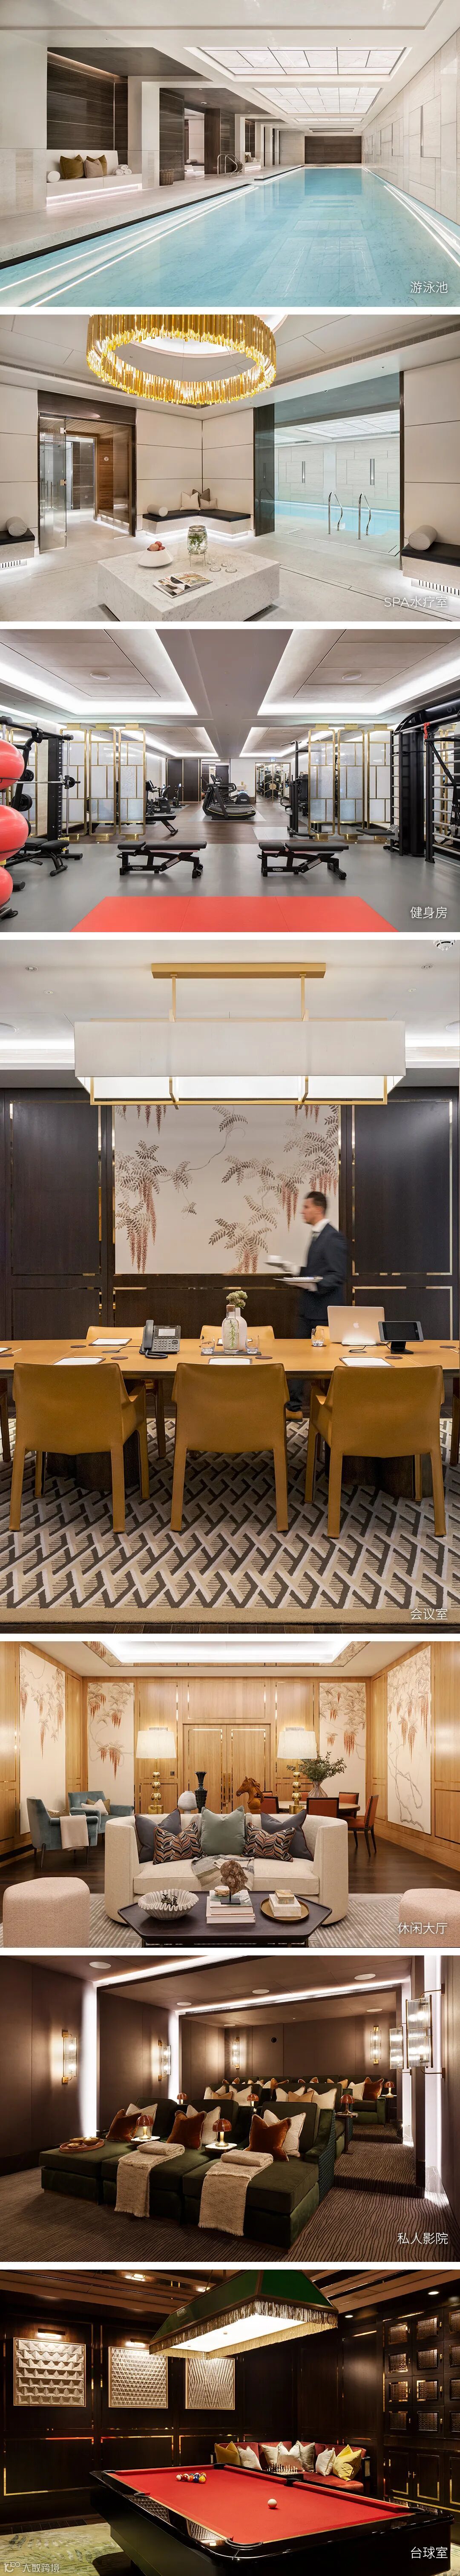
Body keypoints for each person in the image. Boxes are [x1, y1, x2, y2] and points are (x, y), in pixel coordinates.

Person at [289, 1187, 348, 1407]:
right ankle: (293, 1406)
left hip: (324, 1312)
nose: (302, 1211)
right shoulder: (318, 1236)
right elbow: (318, 1270)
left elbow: (338, 1275)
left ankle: (328, 1407)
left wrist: (314, 1285)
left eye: (306, 1207)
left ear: (318, 1209)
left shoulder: (333, 1238)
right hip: (309, 1310)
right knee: (297, 1358)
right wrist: (295, 1271)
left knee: (323, 1362)